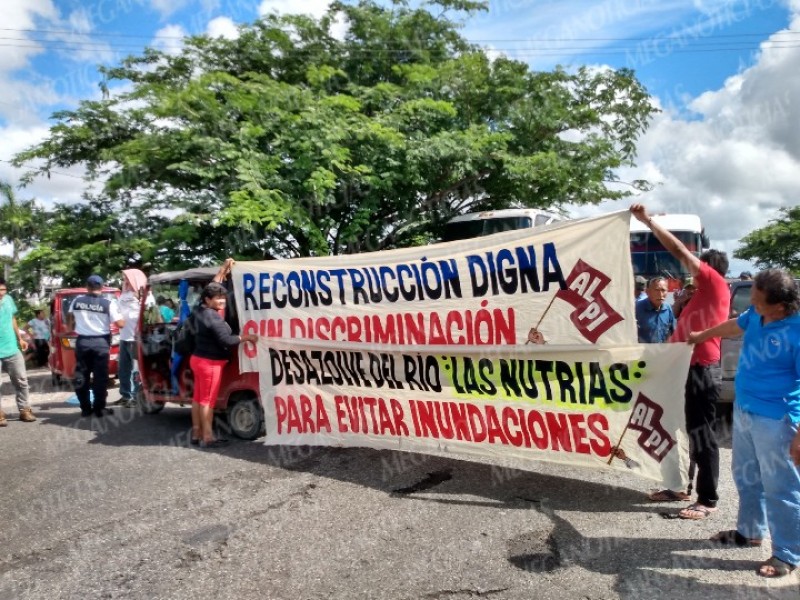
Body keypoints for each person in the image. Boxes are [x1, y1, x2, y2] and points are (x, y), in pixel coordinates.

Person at [687, 269, 799, 578]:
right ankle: (750, 532)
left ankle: (787, 554)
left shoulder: (797, 331)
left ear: (780, 305)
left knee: (781, 487)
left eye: (758, 301)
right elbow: (736, 324)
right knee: (746, 476)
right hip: (745, 411)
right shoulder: (757, 315)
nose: (752, 304)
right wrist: (702, 336)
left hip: (777, 419)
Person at [631, 205, 730, 517]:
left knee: (702, 434)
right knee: (677, 427)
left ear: (708, 269)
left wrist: (648, 222)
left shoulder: (713, 283)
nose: (691, 272)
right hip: (683, 370)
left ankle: (707, 499)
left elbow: (676, 248)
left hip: (700, 371)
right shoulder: (698, 295)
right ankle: (678, 486)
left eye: (697, 268)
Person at [189, 264, 258, 448]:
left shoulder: (199, 310)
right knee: (207, 401)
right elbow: (227, 340)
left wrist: (222, 271)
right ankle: (208, 437)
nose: (222, 301)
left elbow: (212, 287)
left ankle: (196, 434)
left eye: (223, 297)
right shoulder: (214, 318)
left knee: (197, 398)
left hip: (197, 360)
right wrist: (247, 337)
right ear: (208, 300)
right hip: (210, 364)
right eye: (218, 299)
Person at [67, 275, 124, 418]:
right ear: (102, 287)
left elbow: (69, 318)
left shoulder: (76, 301)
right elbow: (120, 324)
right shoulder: (108, 303)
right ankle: (99, 409)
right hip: (101, 344)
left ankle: (85, 409)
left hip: (82, 342)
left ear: (87, 287)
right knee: (100, 378)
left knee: (81, 376)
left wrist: (72, 326)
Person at [0, 278, 37, 426]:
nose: (2, 293)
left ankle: (24, 410)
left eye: (3, 290)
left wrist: (20, 338)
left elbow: (12, 318)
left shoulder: (8, 299)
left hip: (11, 347)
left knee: (21, 380)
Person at [115, 269, 147, 409]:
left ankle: (135, 397)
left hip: (136, 339)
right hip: (123, 337)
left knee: (135, 370)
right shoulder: (123, 295)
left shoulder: (144, 296)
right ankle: (125, 395)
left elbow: (148, 315)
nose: (125, 281)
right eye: (124, 279)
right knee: (123, 369)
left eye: (127, 278)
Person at [635, 277, 675, 343]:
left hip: (662, 351)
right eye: (656, 290)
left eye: (663, 290)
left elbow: (673, 331)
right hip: (642, 352)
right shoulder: (637, 308)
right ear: (648, 292)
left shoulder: (668, 309)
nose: (660, 294)